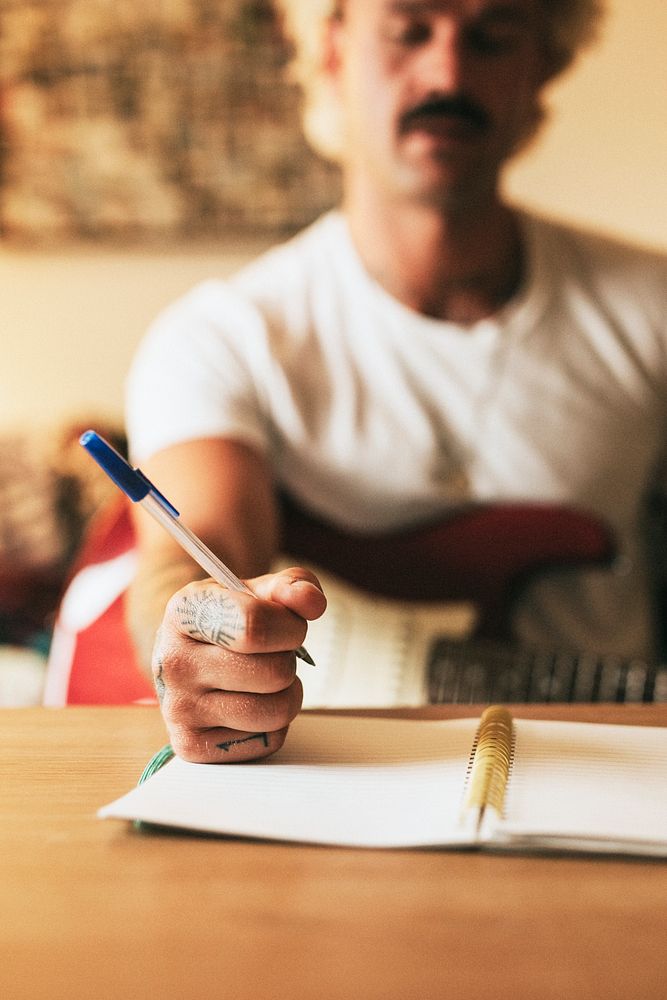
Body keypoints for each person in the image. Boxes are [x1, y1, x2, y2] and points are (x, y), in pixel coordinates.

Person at [124, 0, 667, 762]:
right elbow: (192, 553)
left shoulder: (654, 307)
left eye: (492, 36)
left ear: (541, 63)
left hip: (621, 779)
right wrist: (197, 635)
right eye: (409, 29)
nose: (447, 71)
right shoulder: (222, 337)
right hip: (336, 776)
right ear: (332, 49)